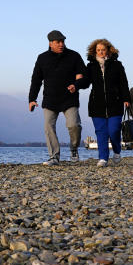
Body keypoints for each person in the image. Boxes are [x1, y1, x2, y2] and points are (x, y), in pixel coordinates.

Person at [29, 30, 86, 166]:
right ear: (50, 43)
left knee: (74, 125)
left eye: (63, 41)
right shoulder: (42, 58)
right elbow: (36, 80)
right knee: (48, 126)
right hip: (50, 99)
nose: (61, 44)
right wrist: (32, 99)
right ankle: (54, 156)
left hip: (69, 98)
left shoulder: (74, 56)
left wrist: (76, 85)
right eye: (58, 42)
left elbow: (84, 76)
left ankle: (73, 148)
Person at [76, 38, 131, 167]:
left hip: (115, 104)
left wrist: (126, 99)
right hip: (97, 105)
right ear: (94, 51)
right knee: (101, 132)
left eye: (103, 50)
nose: (101, 52)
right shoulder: (91, 66)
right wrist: (76, 85)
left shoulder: (117, 65)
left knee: (114, 130)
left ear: (108, 50)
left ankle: (117, 151)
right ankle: (103, 158)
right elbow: (85, 82)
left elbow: (123, 83)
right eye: (98, 50)